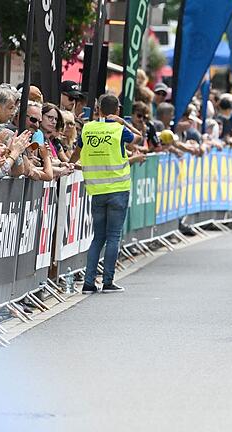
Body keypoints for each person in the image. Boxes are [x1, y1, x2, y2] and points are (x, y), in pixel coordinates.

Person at [70, 94, 142, 294]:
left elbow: (77, 152)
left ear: (98, 109)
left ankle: (88, 282)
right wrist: (124, 124)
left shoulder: (87, 128)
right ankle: (108, 281)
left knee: (98, 237)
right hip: (118, 189)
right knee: (113, 237)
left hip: (97, 191)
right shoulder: (119, 130)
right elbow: (139, 138)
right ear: (117, 111)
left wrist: (69, 162)